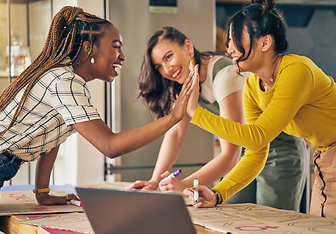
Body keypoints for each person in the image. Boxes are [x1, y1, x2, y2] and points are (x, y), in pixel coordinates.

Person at [0, 6, 197, 234]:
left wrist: (43, 192)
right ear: (89, 48)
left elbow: (52, 138)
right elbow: (110, 146)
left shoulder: (68, 81)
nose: (123, 56)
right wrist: (174, 116)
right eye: (116, 47)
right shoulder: (64, 82)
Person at [183, 0, 336, 221]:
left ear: (265, 42)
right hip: (326, 162)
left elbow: (256, 137)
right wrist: (218, 194)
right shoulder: (251, 85)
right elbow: (256, 152)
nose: (229, 49)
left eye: (236, 38)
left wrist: (196, 114)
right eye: (228, 40)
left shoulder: (297, 71)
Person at [127, 26, 308, 212]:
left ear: (188, 47)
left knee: (270, 226)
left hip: (278, 154)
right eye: (159, 66)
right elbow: (176, 134)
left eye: (168, 57)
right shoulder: (183, 83)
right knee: (233, 218)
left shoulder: (224, 75)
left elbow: (230, 154)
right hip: (246, 157)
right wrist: (155, 181)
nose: (167, 69)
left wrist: (184, 185)